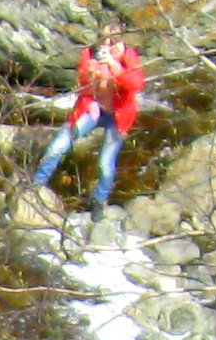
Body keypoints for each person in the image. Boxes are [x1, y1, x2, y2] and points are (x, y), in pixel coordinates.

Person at [33, 26, 144, 211]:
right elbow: (83, 81)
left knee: (105, 163)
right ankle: (36, 183)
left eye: (113, 40)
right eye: (104, 39)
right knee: (58, 145)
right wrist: (91, 73)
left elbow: (136, 84)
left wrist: (114, 65)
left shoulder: (129, 56)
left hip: (117, 115)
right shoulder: (90, 53)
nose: (107, 45)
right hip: (93, 109)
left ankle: (99, 200)